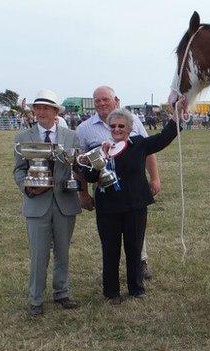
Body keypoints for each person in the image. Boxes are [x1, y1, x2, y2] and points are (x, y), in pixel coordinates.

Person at [81, 108, 179, 303]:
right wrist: (95, 163)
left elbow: (163, 138)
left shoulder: (139, 145)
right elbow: (89, 176)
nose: (117, 129)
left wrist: (177, 119)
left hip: (135, 205)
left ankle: (136, 288)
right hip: (108, 208)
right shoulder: (101, 150)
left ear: (129, 128)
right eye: (113, 126)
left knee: (134, 248)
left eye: (121, 126)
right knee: (110, 249)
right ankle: (111, 292)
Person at [76, 86, 160, 279]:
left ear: (116, 100)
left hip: (133, 185)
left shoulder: (133, 120)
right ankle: (111, 275)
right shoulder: (84, 129)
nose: (101, 103)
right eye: (97, 100)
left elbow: (147, 151)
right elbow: (80, 163)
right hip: (105, 189)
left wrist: (155, 178)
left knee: (136, 228)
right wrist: (83, 193)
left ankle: (141, 261)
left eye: (105, 99)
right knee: (110, 235)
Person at [13, 90, 81, 316]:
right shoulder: (23, 137)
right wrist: (26, 186)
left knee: (63, 251)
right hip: (36, 204)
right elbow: (18, 170)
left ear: (55, 112)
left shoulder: (71, 136)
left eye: (45, 108)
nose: (40, 112)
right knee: (39, 253)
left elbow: (77, 167)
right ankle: (35, 299)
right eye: (37, 108)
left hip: (65, 202)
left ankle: (61, 292)